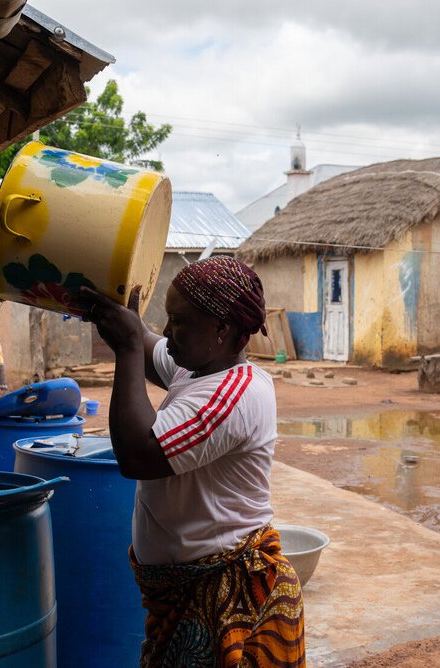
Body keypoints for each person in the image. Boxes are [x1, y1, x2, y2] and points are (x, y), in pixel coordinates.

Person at [78, 257, 306, 668]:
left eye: (179, 321)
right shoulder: (197, 368)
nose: (166, 332)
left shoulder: (232, 395)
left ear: (222, 330)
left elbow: (137, 454)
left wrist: (127, 346)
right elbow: (149, 347)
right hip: (186, 591)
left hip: (223, 594)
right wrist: (120, 320)